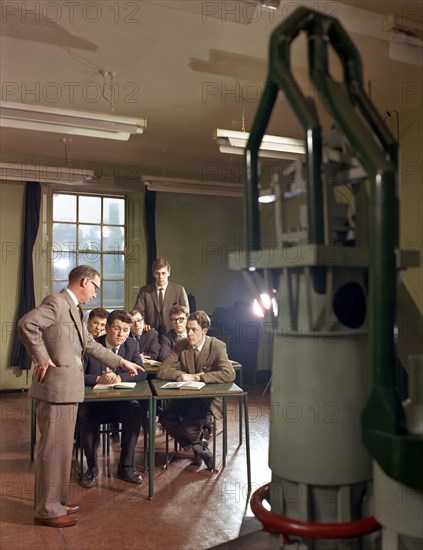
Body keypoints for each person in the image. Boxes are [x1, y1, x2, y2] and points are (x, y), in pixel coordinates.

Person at [17, 265, 143, 528]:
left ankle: (57, 502)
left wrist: (122, 362)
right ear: (85, 282)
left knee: (62, 452)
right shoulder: (56, 302)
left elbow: (90, 345)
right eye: (96, 287)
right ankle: (48, 511)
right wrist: (41, 357)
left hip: (67, 391)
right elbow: (26, 324)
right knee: (52, 452)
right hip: (55, 390)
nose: (96, 294)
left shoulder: (74, 309)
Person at [156, 311, 235, 469]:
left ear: (204, 330)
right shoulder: (181, 344)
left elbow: (229, 373)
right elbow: (162, 370)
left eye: (194, 330)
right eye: (187, 329)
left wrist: (198, 377)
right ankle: (200, 447)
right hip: (186, 396)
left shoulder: (217, 346)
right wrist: (181, 374)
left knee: (187, 427)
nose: (189, 333)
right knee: (165, 417)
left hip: (207, 399)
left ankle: (197, 445)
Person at [78, 309, 147, 488]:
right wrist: (98, 379)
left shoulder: (131, 345)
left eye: (125, 329)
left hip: (121, 402)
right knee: (87, 417)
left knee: (136, 411)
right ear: (107, 328)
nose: (121, 334)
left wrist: (120, 378)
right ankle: (92, 467)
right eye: (116, 328)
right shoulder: (92, 345)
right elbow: (78, 375)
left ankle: (125, 466)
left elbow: (141, 373)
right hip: (96, 403)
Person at [133, 258, 189, 334]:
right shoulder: (144, 291)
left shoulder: (179, 290)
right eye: (157, 273)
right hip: (150, 332)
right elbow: (137, 312)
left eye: (163, 273)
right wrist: (143, 324)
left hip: (173, 333)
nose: (160, 277)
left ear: (169, 273)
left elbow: (186, 313)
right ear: (153, 274)